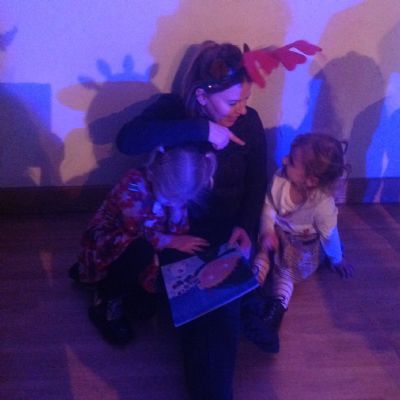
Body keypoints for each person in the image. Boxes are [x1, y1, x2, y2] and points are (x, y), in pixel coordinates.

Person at [116, 41, 270, 400]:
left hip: (225, 234)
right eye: (233, 102)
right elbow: (128, 139)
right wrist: (202, 130)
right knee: (197, 315)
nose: (242, 110)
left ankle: (241, 311)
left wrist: (245, 225)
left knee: (220, 312)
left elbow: (256, 181)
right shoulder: (173, 110)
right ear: (202, 96)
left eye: (246, 99)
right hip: (178, 234)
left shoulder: (248, 122)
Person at [70, 146, 217, 345]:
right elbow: (136, 231)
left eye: (182, 199)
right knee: (141, 251)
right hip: (112, 243)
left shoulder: (177, 193)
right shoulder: (132, 184)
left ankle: (111, 284)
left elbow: (179, 230)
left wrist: (175, 212)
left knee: (143, 312)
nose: (178, 202)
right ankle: (104, 300)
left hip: (149, 248)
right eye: (174, 197)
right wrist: (171, 240)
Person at [255, 132, 354, 352]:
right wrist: (267, 230)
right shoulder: (280, 179)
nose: (283, 160)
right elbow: (268, 205)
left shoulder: (322, 206)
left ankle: (278, 306)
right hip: (277, 232)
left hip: (301, 244)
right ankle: (251, 287)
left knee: (285, 273)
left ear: (311, 180)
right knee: (259, 251)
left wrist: (337, 260)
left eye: (291, 161)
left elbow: (330, 235)